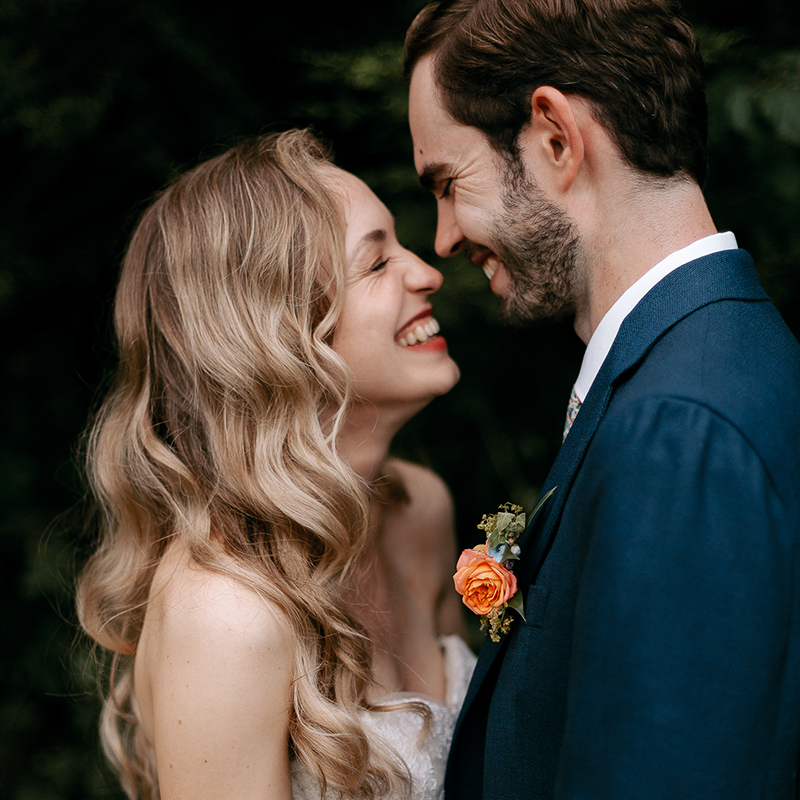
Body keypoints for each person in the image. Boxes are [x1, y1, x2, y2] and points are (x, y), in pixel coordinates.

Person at [404, 0, 800, 797]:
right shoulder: (728, 359)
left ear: (555, 137)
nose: (442, 237)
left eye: (450, 181)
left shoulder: (677, 434)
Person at [76, 129, 474, 800]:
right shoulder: (226, 613)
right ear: (278, 336)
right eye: (376, 265)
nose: (427, 271)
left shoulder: (420, 510)